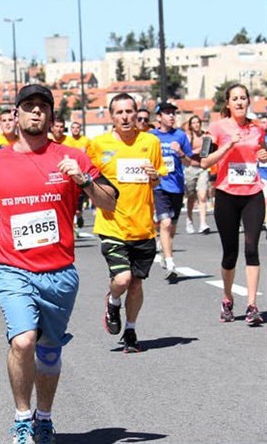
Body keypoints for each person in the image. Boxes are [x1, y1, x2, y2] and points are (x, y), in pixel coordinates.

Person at [0, 84, 118, 444]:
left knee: (49, 352)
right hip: (12, 267)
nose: (36, 112)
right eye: (29, 106)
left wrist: (82, 181)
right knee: (23, 341)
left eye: (43, 107)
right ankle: (23, 417)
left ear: (51, 116)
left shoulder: (71, 158)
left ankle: (44, 417)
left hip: (59, 273)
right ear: (16, 115)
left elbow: (110, 202)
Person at [90, 92, 166, 353]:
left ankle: (131, 330)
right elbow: (86, 180)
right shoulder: (97, 145)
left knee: (136, 283)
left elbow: (157, 181)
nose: (125, 117)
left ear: (137, 114)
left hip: (143, 226)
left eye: (129, 111)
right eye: (119, 112)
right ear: (111, 116)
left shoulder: (150, 142)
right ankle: (112, 301)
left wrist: (154, 177)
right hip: (112, 225)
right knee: (122, 279)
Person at [200, 83, 266, 325]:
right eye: (234, 99)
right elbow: (205, 162)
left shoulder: (258, 128)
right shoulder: (216, 128)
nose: (239, 102)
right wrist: (228, 145)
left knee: (251, 248)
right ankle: (227, 299)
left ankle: (252, 305)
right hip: (227, 195)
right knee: (230, 254)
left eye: (243, 98)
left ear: (248, 102)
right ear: (227, 104)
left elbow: (263, 151)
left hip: (253, 194)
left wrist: (264, 154)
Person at [149, 102, 193, 282]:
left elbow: (189, 162)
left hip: (176, 186)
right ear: (159, 117)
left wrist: (180, 152)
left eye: (173, 113)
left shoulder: (181, 136)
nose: (171, 116)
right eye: (167, 113)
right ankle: (170, 263)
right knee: (165, 223)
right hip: (159, 186)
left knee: (171, 227)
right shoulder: (151, 137)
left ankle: (164, 245)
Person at [184, 115, 211, 234]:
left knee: (202, 195)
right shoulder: (187, 137)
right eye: (193, 123)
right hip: (190, 168)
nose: (196, 125)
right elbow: (186, 153)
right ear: (190, 125)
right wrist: (195, 151)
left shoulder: (205, 136)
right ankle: (189, 220)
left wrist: (198, 151)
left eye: (197, 122)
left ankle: (203, 223)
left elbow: (204, 152)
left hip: (202, 168)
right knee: (191, 197)